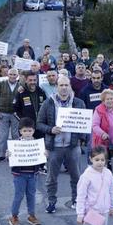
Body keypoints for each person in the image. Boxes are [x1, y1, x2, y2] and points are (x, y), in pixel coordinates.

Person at [38, 75, 86, 213]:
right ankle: (52, 201)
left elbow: (85, 123)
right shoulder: (48, 103)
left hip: (72, 146)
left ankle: (76, 200)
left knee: (76, 176)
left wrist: (80, 138)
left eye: (66, 85)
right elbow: (39, 123)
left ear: (70, 86)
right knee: (51, 177)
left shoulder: (78, 103)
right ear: (57, 87)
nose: (64, 88)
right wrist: (50, 129)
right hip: (54, 146)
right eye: (61, 85)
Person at [7, 117, 42, 225]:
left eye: (30, 131)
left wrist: (44, 154)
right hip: (19, 174)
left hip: (33, 174)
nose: (27, 133)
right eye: (25, 131)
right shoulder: (15, 144)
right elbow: (10, 158)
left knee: (31, 195)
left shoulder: (37, 143)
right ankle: (14, 215)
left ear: (33, 131)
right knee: (19, 195)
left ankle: (31, 215)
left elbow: (41, 158)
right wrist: (8, 155)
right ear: (20, 131)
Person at [0, 68, 20, 162]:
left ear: (17, 76)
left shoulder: (21, 85)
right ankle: (2, 154)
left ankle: (15, 154)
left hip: (15, 114)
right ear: (8, 75)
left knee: (15, 135)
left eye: (14, 74)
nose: (12, 76)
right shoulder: (1, 84)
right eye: (11, 74)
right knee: (3, 135)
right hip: (3, 113)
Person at [14, 72, 47, 137]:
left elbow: (45, 107)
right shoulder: (21, 92)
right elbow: (15, 109)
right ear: (26, 80)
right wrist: (23, 120)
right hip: (26, 127)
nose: (33, 82)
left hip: (40, 125)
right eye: (30, 80)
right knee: (27, 146)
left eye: (34, 80)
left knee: (39, 145)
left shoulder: (41, 92)